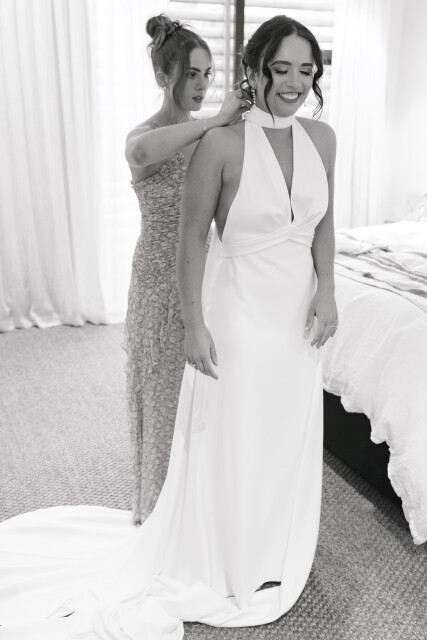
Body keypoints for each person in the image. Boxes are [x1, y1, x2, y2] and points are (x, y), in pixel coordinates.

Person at [0, 15, 338, 639]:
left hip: (294, 314)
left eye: (306, 70)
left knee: (283, 429)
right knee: (222, 428)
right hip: (228, 305)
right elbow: (191, 237)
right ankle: (214, 543)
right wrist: (194, 323)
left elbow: (324, 222)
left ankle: (272, 544)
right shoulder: (214, 142)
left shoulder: (323, 138)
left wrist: (329, 290)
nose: (294, 81)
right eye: (280, 68)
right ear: (255, 71)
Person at [124, 14, 249, 525]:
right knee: (161, 397)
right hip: (158, 285)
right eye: (191, 74)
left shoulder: (211, 137)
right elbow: (140, 153)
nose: (202, 85)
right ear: (163, 77)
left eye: (207, 74)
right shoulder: (149, 135)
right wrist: (216, 119)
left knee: (206, 401)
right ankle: (158, 516)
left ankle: (200, 515)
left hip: (206, 279)